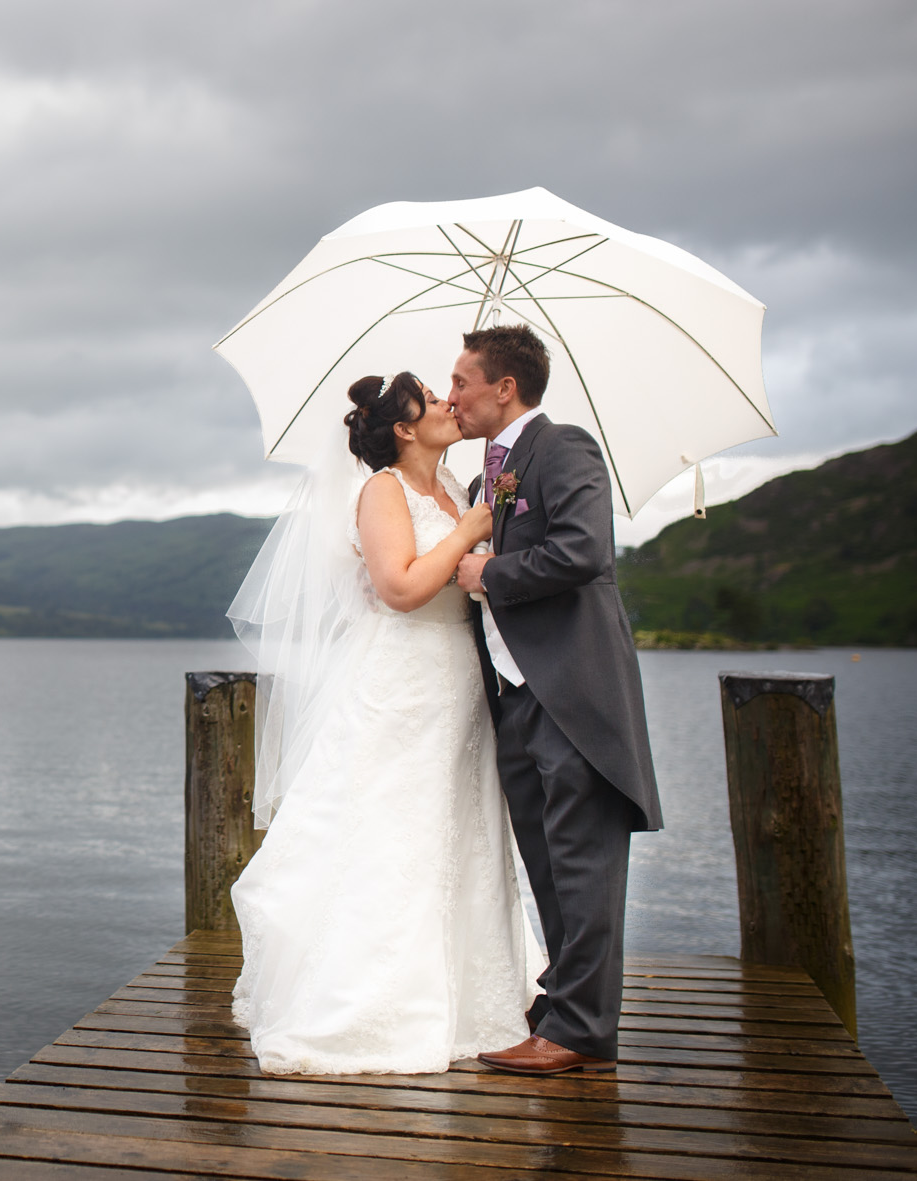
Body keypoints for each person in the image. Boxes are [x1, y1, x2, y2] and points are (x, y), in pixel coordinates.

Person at [226, 371, 545, 1075]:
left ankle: (471, 996)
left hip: (459, 683)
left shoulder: (455, 485)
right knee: (392, 830)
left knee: (456, 829)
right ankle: (372, 1003)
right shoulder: (382, 491)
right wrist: (468, 530)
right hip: (401, 682)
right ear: (403, 429)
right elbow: (400, 587)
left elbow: (460, 579)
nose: (447, 404)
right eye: (431, 401)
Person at [450, 323, 662, 1076]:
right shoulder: (486, 479)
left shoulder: (564, 447)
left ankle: (580, 1030)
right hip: (514, 696)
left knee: (583, 864)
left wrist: (489, 574)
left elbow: (583, 551)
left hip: (572, 692)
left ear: (504, 387)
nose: (453, 397)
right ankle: (561, 1005)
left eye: (462, 381)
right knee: (548, 862)